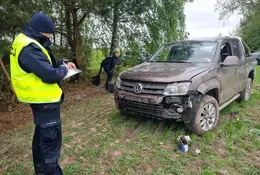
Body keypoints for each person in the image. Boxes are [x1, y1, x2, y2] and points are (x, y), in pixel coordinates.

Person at [10, 12, 76, 175]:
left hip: (41, 102)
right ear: (41, 31)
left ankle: (40, 171)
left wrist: (62, 63)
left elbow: (43, 61)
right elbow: (49, 74)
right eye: (49, 34)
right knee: (49, 147)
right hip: (45, 102)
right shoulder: (29, 47)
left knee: (41, 142)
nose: (50, 37)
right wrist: (64, 70)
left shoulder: (26, 42)